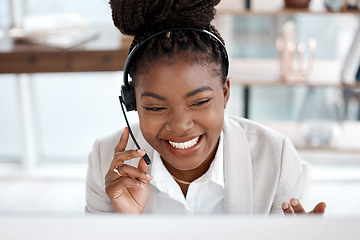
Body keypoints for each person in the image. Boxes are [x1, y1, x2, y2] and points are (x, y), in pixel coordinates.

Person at [86, 0, 326, 215]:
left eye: (199, 102)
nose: (180, 125)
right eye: (156, 107)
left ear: (225, 93)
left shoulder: (276, 158)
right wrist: (126, 225)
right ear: (132, 104)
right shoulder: (105, 162)